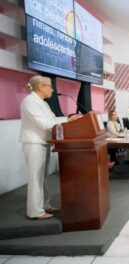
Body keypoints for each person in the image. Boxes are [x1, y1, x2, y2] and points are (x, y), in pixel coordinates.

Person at [20, 76, 79, 219]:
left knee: (43, 177)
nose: (52, 89)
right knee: (36, 178)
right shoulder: (29, 102)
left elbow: (51, 121)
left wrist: (67, 120)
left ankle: (44, 206)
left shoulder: (42, 102)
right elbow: (42, 123)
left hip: (43, 141)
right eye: (50, 86)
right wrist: (67, 120)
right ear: (41, 86)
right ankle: (35, 211)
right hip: (34, 143)